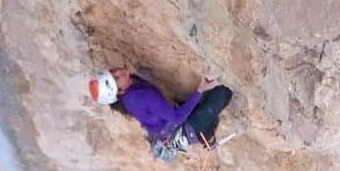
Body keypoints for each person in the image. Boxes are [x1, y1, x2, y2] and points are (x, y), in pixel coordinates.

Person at [89, 66, 233, 155]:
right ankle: (206, 135)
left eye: (113, 71)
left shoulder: (130, 87)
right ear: (119, 91)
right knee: (223, 93)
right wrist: (200, 90)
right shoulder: (141, 97)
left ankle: (207, 127)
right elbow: (176, 118)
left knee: (206, 106)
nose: (119, 72)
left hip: (169, 125)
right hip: (185, 127)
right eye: (116, 78)